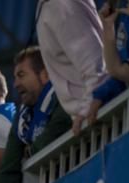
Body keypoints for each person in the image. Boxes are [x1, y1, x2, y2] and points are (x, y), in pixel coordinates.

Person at [0, 47, 73, 183]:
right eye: (15, 77)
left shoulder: (64, 96)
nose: (16, 83)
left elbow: (54, 135)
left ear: (44, 75)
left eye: (21, 75)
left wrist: (28, 152)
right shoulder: (22, 117)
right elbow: (9, 163)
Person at [35, 0, 108, 132]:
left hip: (98, 117)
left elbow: (94, 63)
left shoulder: (61, 5)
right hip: (93, 118)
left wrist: (86, 109)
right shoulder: (51, 6)